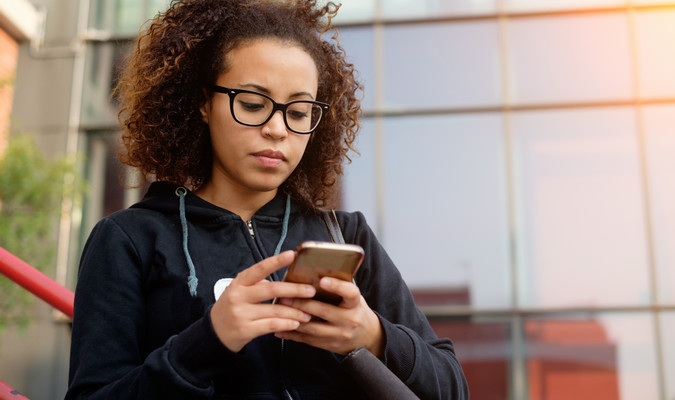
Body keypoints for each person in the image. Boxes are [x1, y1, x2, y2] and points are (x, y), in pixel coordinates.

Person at [65, 0, 469, 399]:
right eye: (254, 105)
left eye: (298, 113)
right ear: (204, 103)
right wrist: (208, 340)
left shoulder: (346, 234)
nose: (277, 129)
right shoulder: (129, 239)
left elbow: (452, 387)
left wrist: (372, 334)